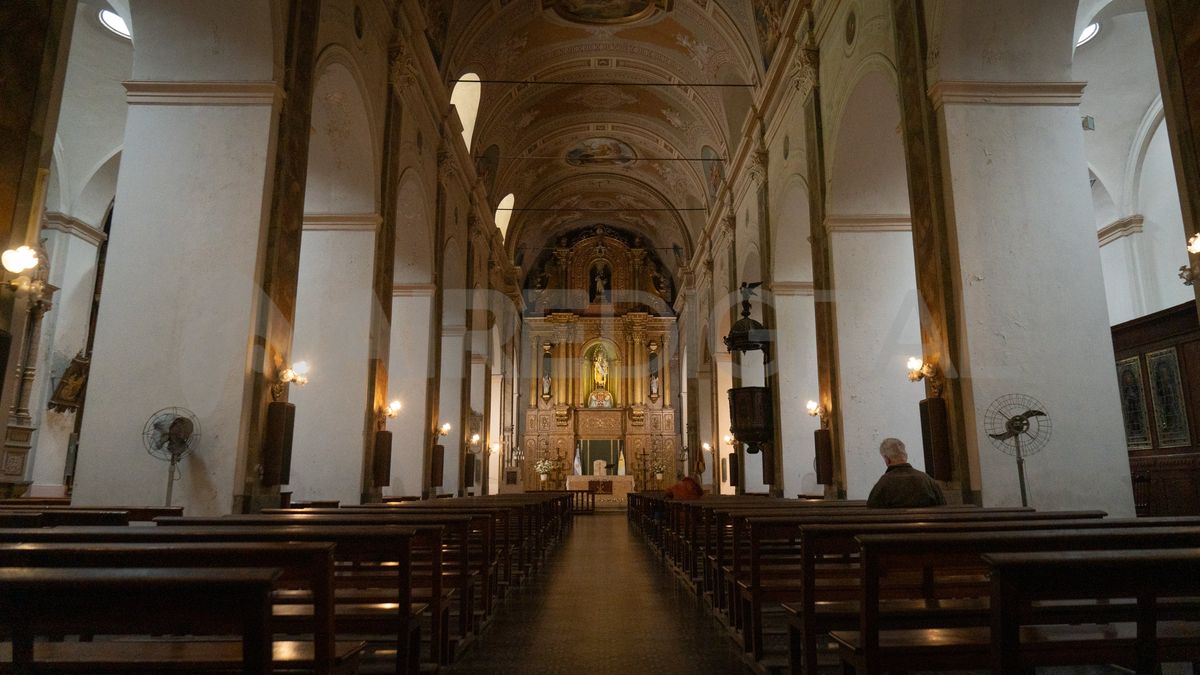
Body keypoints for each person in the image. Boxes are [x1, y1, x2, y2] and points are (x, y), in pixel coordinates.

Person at [866, 438, 945, 508]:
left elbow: (871, 508)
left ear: (887, 459)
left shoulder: (882, 484)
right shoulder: (927, 480)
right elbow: (942, 505)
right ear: (905, 456)